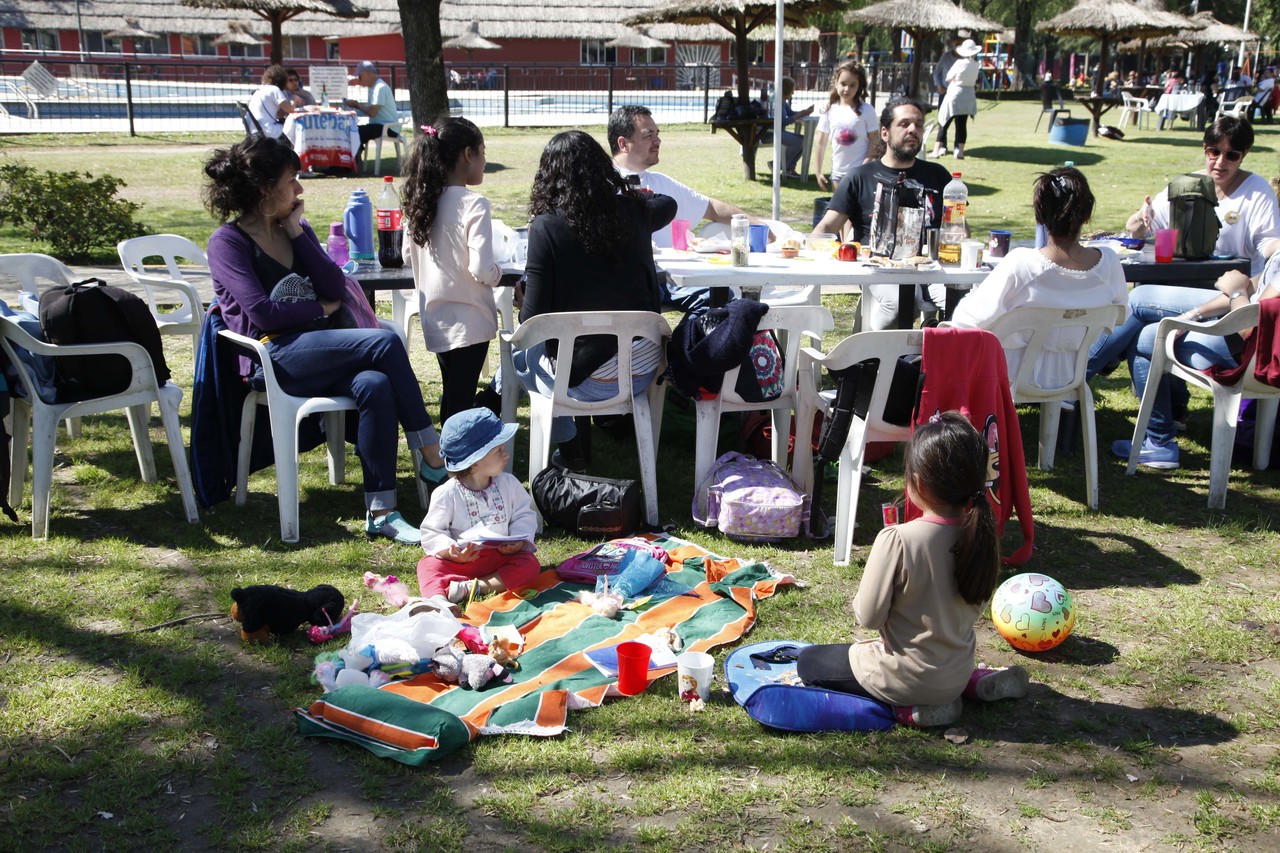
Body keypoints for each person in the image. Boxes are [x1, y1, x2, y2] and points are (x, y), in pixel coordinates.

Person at [202, 135, 447, 545]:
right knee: (385, 343)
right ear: (265, 189)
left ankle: (381, 511)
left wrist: (298, 235)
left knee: (375, 383)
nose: (299, 189)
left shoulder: (295, 229)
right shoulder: (227, 243)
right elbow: (263, 313)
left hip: (320, 351)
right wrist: (319, 308)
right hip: (272, 357)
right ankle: (433, 455)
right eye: (291, 181)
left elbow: (335, 286)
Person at [795, 412, 1030, 728]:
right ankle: (973, 683)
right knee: (936, 669)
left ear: (917, 483)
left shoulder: (898, 539)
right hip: (956, 672)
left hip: (904, 677)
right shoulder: (982, 537)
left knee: (808, 662)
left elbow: (868, 617)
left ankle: (908, 710)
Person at [516, 129, 676, 470]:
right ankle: (572, 448)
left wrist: (523, 296)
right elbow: (668, 203)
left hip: (585, 377)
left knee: (520, 355)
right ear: (604, 169)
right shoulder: (635, 212)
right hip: (643, 368)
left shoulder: (546, 227)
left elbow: (531, 322)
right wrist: (628, 193)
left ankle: (570, 449)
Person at [950, 167, 1129, 389]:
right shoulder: (1109, 263)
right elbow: (1121, 315)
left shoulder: (1022, 264)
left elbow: (965, 321)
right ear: (1087, 214)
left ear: (1040, 215)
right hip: (1070, 376)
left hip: (1006, 376)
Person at [812, 97, 954, 330]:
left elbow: (959, 229)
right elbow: (826, 228)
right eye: (904, 124)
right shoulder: (860, 177)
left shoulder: (939, 176)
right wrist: (810, 251)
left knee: (965, 302)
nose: (913, 129)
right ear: (885, 133)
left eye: (918, 125)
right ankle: (871, 352)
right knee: (900, 301)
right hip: (880, 268)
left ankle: (934, 343)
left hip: (934, 268)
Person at [608, 104, 760, 312]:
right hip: (625, 282)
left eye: (657, 134)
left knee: (719, 299)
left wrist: (763, 228)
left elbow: (713, 208)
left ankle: (684, 335)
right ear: (623, 143)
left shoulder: (661, 183)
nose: (657, 141)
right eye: (648, 135)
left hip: (667, 280)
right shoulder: (602, 183)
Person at [402, 117, 503, 425]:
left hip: (436, 318)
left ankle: (448, 449)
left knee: (454, 394)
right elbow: (481, 267)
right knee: (460, 401)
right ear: (468, 154)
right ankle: (452, 453)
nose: (485, 161)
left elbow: (407, 255)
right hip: (470, 321)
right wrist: (498, 273)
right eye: (483, 152)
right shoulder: (474, 204)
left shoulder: (422, 200)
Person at [1124, 116, 1280, 277]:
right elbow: (1135, 231)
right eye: (1214, 152)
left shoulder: (1257, 191)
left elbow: (1267, 242)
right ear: (1205, 148)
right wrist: (1141, 216)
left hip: (1234, 284)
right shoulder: (1185, 185)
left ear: (1244, 155)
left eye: (1231, 155)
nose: (1220, 162)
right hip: (1183, 278)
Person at [416, 408, 540, 610]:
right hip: (462, 562)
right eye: (498, 450)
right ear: (473, 463)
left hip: (499, 557)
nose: (506, 454)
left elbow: (523, 515)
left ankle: (474, 587)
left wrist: (517, 540)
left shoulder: (508, 484)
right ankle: (438, 600)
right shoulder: (447, 494)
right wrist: (451, 551)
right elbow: (432, 531)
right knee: (427, 565)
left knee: (529, 564)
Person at [813, 60, 879, 193]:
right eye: (843, 84)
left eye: (852, 85)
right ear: (836, 82)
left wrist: (865, 164)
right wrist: (818, 171)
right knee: (840, 205)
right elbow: (820, 141)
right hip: (837, 174)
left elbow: (874, 140)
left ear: (859, 86)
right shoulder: (829, 109)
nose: (847, 89)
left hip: (861, 173)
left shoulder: (867, 110)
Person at [931, 38, 981, 160]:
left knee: (944, 121)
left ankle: (936, 150)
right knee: (962, 124)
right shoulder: (976, 64)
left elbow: (948, 77)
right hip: (968, 95)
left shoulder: (959, 63)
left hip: (955, 93)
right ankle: (960, 151)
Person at [762, 76, 813, 178]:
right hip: (771, 133)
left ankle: (790, 168)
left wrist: (804, 112)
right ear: (786, 90)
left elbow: (791, 113)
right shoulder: (776, 102)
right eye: (792, 90)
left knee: (804, 140)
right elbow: (783, 122)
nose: (792, 93)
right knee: (798, 142)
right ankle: (776, 165)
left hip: (779, 132)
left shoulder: (782, 101)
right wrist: (799, 114)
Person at [342, 60, 400, 151]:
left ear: (367, 74)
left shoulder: (379, 88)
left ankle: (355, 157)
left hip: (387, 128)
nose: (358, 80)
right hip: (380, 126)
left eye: (360, 77)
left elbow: (372, 112)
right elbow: (370, 109)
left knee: (354, 132)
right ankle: (356, 156)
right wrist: (355, 107)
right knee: (353, 131)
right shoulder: (373, 88)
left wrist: (357, 105)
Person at [247, 64, 294, 139]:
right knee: (295, 128)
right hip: (268, 130)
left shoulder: (260, 89)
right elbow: (289, 110)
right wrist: (294, 102)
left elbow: (280, 114)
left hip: (254, 129)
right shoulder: (274, 89)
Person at [931, 33, 962, 110]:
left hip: (960, 94)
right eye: (957, 44)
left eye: (961, 44)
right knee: (943, 116)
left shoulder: (966, 59)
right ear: (952, 45)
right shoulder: (945, 57)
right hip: (945, 92)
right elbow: (937, 73)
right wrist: (939, 86)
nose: (959, 47)